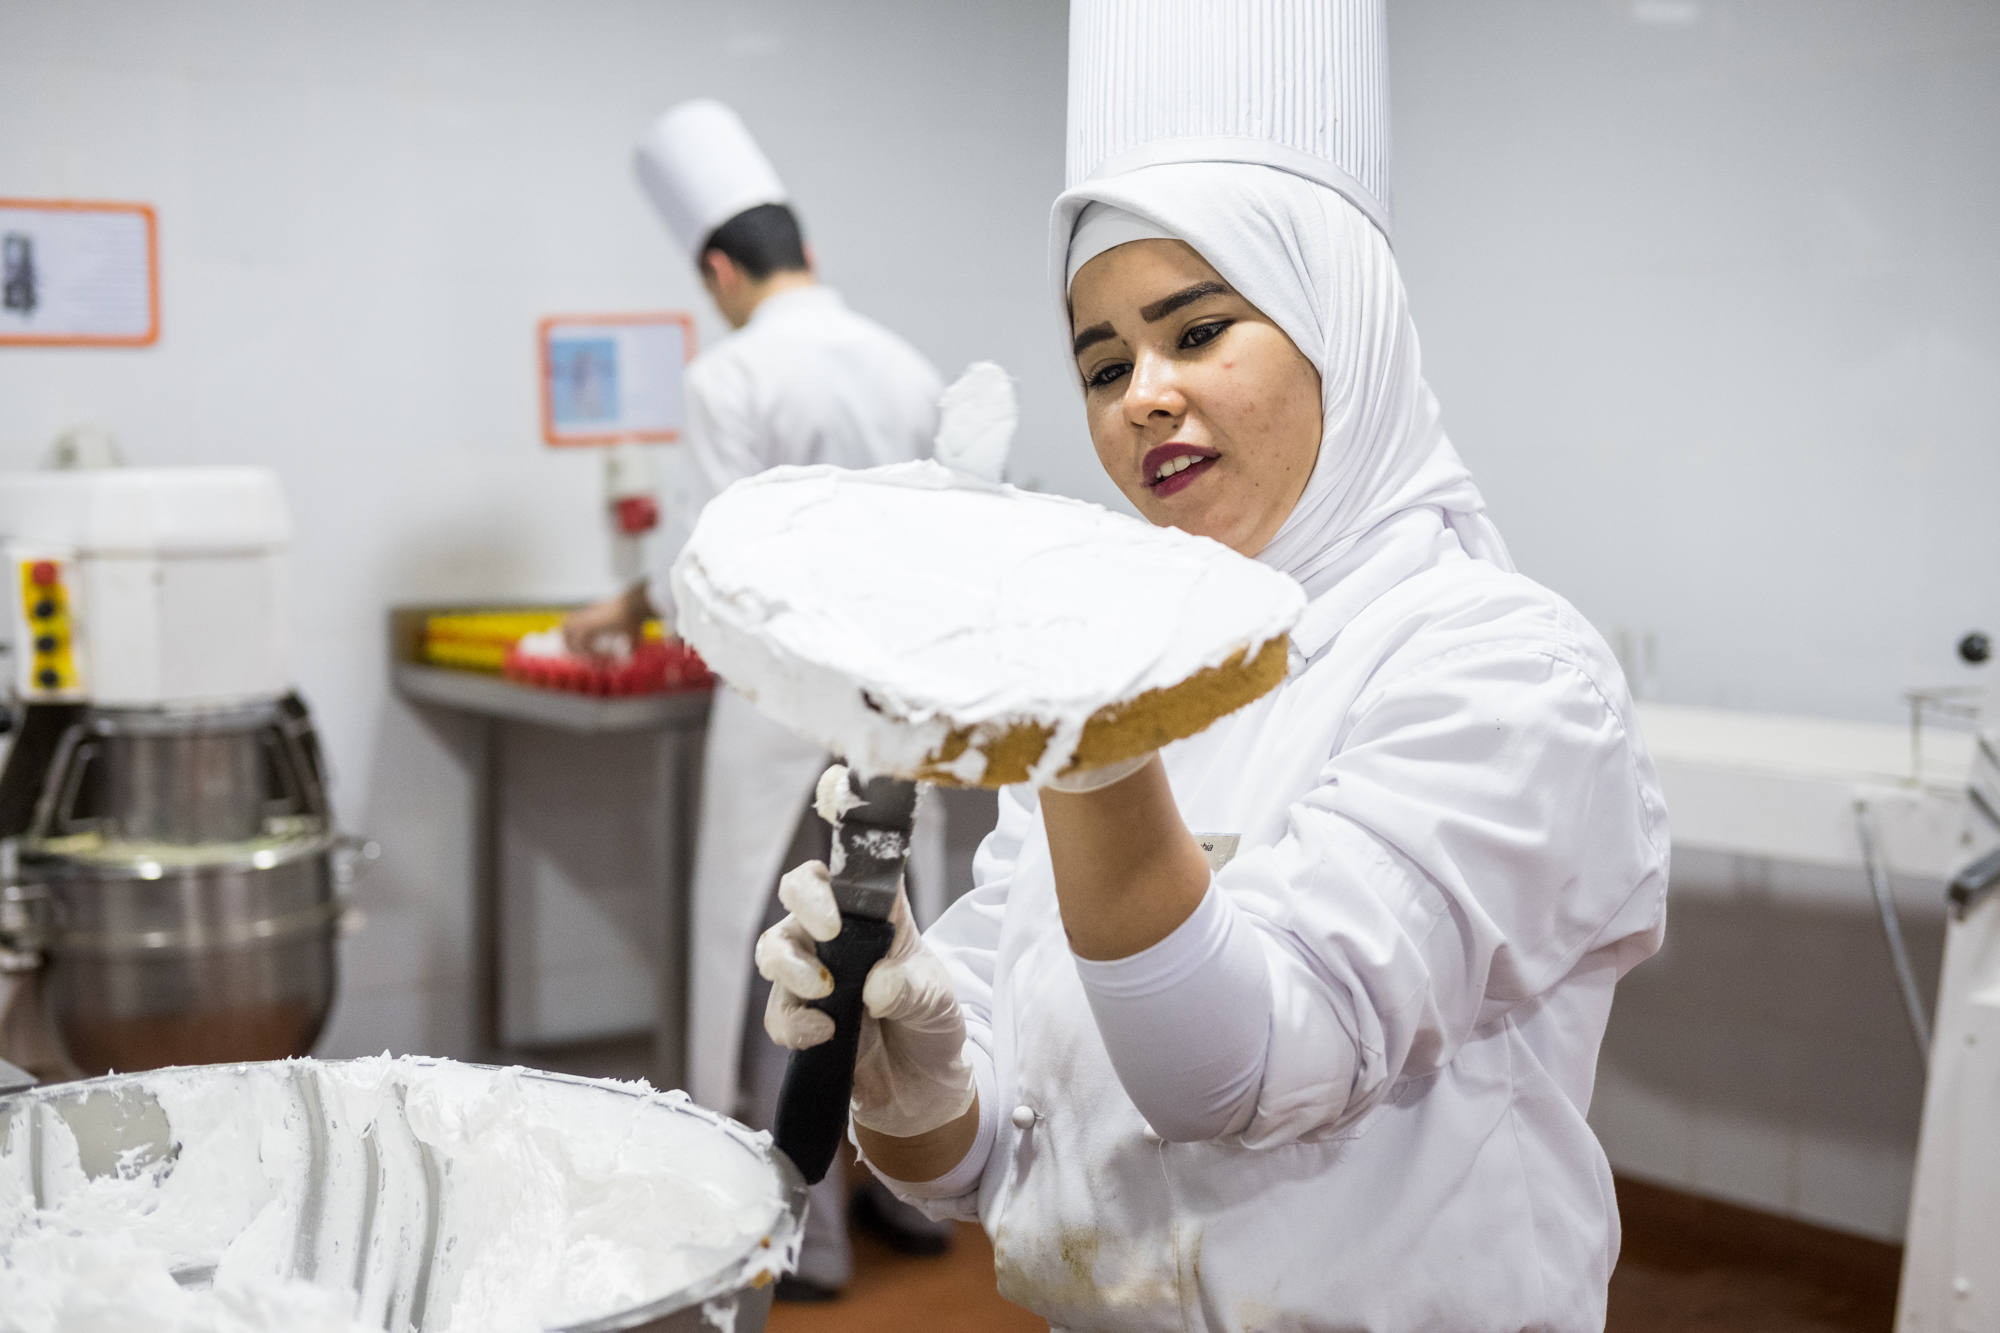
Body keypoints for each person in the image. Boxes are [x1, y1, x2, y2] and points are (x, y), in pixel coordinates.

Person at [753, 2, 1670, 1327]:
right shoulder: (1146, 675)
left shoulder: (1506, 671)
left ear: (1337, 323)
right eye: (1105, 360)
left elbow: (1238, 1072)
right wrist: (916, 1082)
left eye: (1196, 332)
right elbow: (996, 1163)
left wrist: (1082, 722)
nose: (1141, 396)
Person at [562, 98, 950, 1300]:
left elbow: (708, 570)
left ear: (721, 269)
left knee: (767, 959)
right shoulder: (905, 364)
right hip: (895, 702)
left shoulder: (730, 371)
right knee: (892, 948)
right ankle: (918, 1194)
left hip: (781, 701)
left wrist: (625, 608)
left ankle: (797, 1234)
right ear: (808, 254)